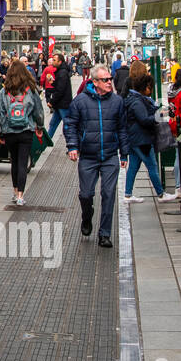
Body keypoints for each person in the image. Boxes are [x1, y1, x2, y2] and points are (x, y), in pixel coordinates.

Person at [64, 64, 129, 247]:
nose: (110, 82)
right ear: (95, 82)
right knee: (86, 194)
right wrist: (73, 146)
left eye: (110, 79)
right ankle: (87, 216)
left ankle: (105, 234)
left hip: (110, 156)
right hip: (88, 156)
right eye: (105, 80)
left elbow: (123, 128)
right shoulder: (80, 101)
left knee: (108, 194)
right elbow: (70, 125)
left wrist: (124, 153)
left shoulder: (117, 102)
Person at [0, 60, 45, 206]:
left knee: (14, 162)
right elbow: (39, 111)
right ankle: (20, 196)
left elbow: (1, 114)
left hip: (10, 131)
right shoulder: (31, 89)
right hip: (26, 130)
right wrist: (40, 127)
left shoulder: (4, 91)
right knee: (23, 162)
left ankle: (14, 190)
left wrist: (3, 131)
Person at [123, 74, 176, 203]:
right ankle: (161, 194)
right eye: (150, 87)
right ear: (145, 87)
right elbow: (145, 120)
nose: (151, 90)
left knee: (133, 167)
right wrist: (160, 115)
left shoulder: (135, 99)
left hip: (135, 139)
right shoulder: (137, 102)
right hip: (142, 140)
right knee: (152, 166)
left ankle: (128, 194)